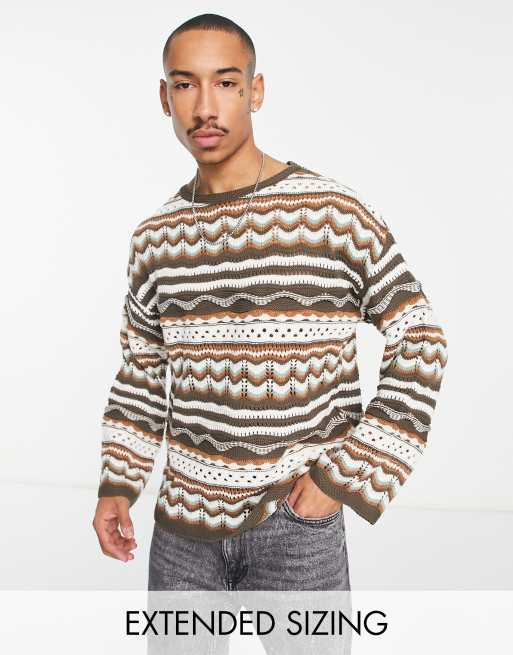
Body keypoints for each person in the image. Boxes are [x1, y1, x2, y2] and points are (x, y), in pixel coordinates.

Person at [92, 13, 448, 594]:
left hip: (296, 526)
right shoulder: (155, 237)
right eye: (185, 84)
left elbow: (421, 339)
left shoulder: (332, 215)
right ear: (164, 97)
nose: (205, 107)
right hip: (182, 531)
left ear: (255, 91)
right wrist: (118, 484)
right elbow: (142, 373)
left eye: (226, 83)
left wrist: (342, 478)